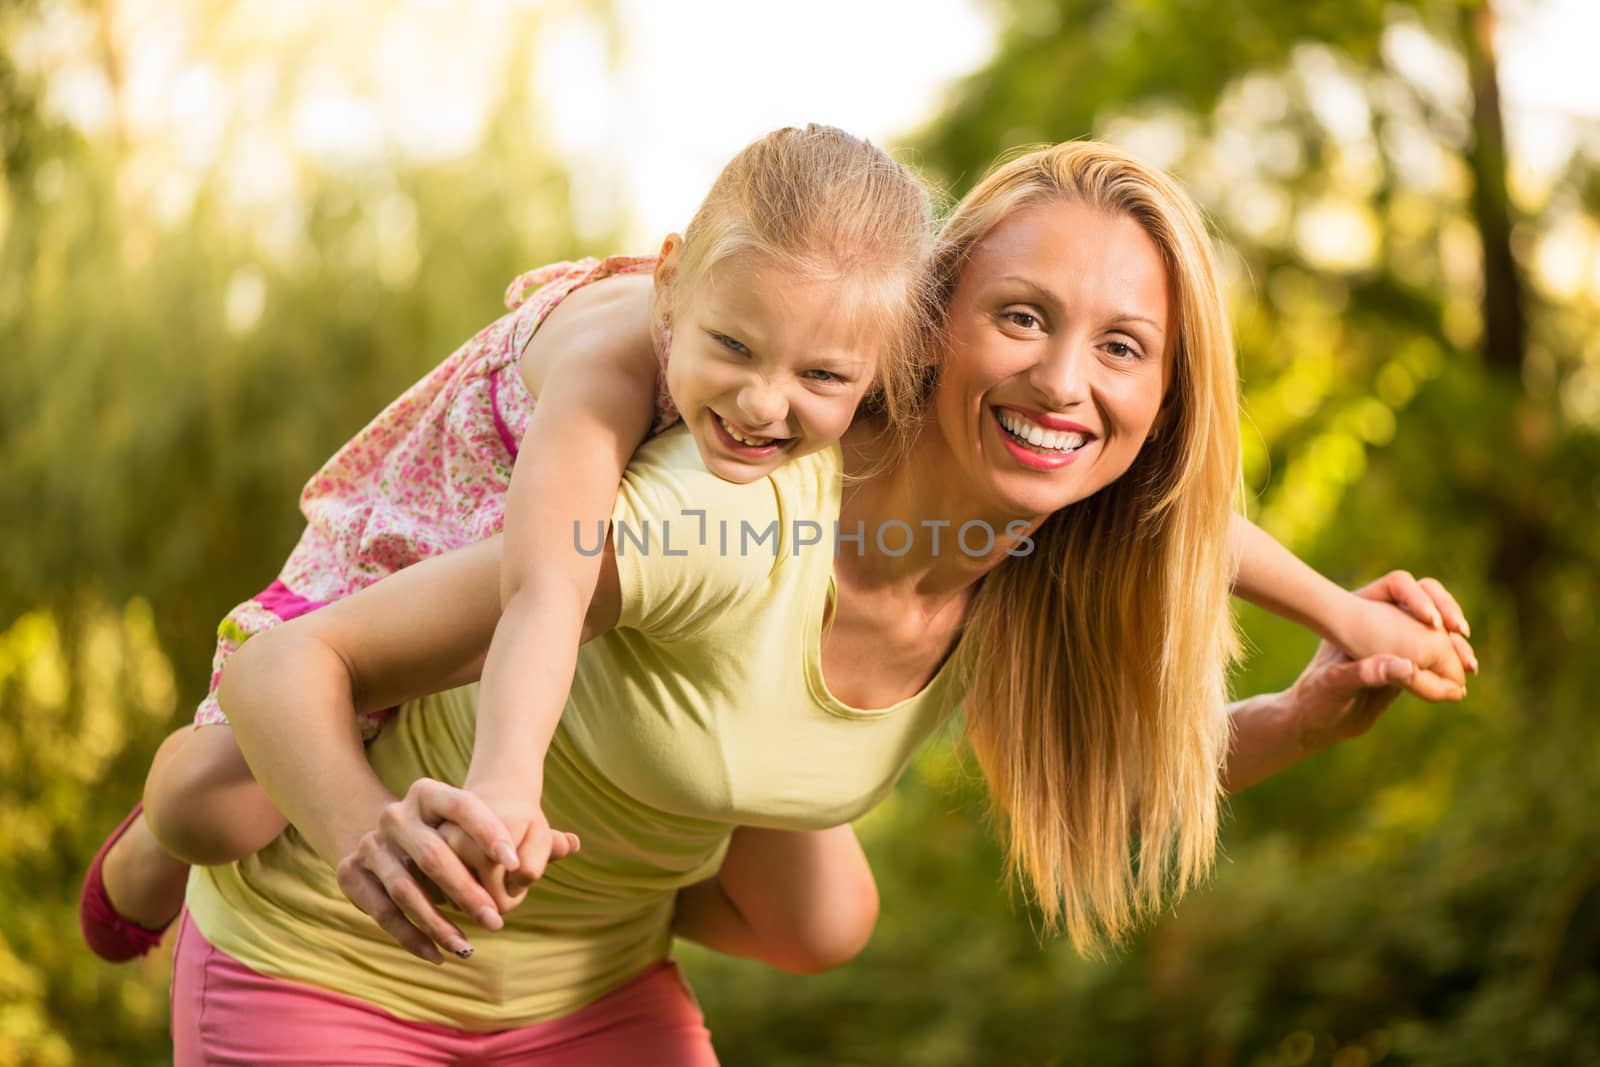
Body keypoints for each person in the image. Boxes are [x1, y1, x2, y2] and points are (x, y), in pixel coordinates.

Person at [167, 141, 1472, 1064]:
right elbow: (298, 664)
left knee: (830, 916)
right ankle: (163, 823)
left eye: (1122, 346)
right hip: (327, 958)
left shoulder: (1019, 564)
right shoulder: (726, 503)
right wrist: (376, 824)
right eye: (1021, 317)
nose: (1067, 380)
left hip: (579, 993)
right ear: (924, 327)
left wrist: (1313, 695)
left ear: (1163, 400)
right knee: (212, 792)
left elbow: (1136, 699)